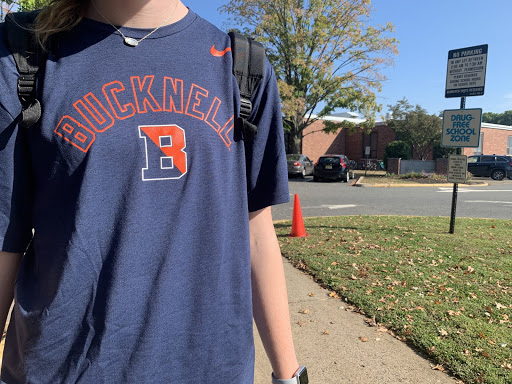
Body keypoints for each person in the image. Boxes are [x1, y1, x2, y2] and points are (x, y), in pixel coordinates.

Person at [0, 1, 305, 382]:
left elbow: (257, 233)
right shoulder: (23, 53)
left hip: (212, 370)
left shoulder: (243, 65)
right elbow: (5, 235)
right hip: (65, 370)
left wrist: (289, 375)